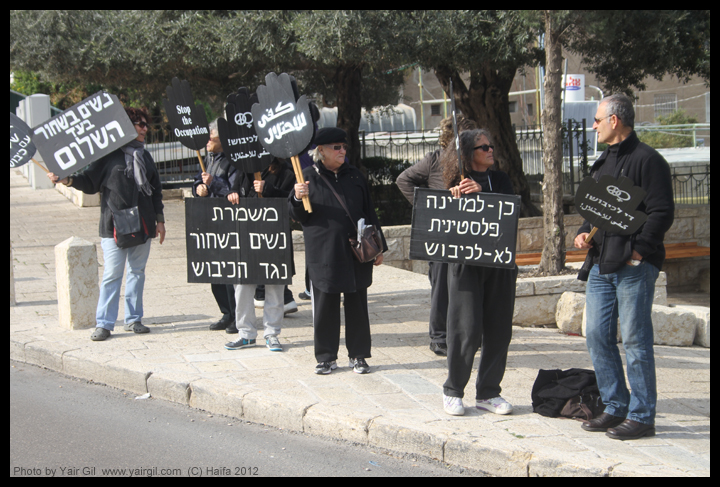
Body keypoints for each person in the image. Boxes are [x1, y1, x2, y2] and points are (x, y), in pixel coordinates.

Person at [574, 94, 674, 440]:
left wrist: (640, 252)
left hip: (633, 266)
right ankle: (615, 406)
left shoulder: (649, 161)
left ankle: (642, 414)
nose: (594, 126)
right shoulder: (603, 162)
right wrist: (583, 232)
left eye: (598, 120)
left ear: (615, 120)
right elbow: (593, 211)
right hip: (601, 263)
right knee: (597, 335)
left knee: (635, 340)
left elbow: (662, 211)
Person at [47, 107, 165, 341]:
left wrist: (160, 221)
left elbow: (155, 191)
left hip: (144, 224)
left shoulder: (144, 155)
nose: (145, 129)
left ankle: (133, 319)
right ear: (126, 127)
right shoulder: (109, 156)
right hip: (113, 226)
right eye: (140, 124)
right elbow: (89, 182)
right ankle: (105, 324)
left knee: (137, 272)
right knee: (112, 274)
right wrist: (67, 179)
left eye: (145, 125)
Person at [289, 127, 387, 374]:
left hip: (356, 252)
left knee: (357, 305)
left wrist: (379, 247)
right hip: (324, 253)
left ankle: (359, 355)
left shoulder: (355, 176)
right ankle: (326, 357)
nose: (342, 151)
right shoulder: (307, 178)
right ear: (321, 150)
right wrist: (297, 198)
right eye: (336, 147)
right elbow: (295, 216)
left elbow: (370, 211)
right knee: (325, 307)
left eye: (344, 147)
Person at [439, 128, 517, 416]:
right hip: (466, 265)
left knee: (499, 330)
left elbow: (511, 211)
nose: (490, 150)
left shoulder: (500, 180)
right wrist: (454, 201)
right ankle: (453, 390)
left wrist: (484, 193)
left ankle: (488, 392)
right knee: (466, 329)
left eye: (491, 145)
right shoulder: (452, 181)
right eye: (483, 147)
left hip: (499, 262)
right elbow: (436, 217)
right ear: (467, 154)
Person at [396, 116, 477, 356]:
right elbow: (404, 180)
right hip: (441, 236)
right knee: (441, 285)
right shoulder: (434, 161)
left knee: (468, 286)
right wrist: (427, 209)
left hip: (469, 235)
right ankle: (439, 336)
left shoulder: (475, 163)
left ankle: (467, 332)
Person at [224, 157, 296, 351]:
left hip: (274, 239)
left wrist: (268, 190)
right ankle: (246, 333)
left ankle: (272, 333)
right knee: (242, 286)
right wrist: (231, 194)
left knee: (274, 287)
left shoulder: (286, 172)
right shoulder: (243, 170)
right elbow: (232, 190)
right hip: (246, 238)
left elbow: (292, 203)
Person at [193, 120, 238, 332]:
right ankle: (226, 313)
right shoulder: (209, 159)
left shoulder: (233, 162)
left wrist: (213, 184)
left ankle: (237, 316)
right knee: (215, 273)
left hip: (228, 223)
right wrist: (199, 189)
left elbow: (233, 191)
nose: (207, 142)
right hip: (209, 221)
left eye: (212, 139)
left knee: (229, 273)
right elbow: (199, 181)